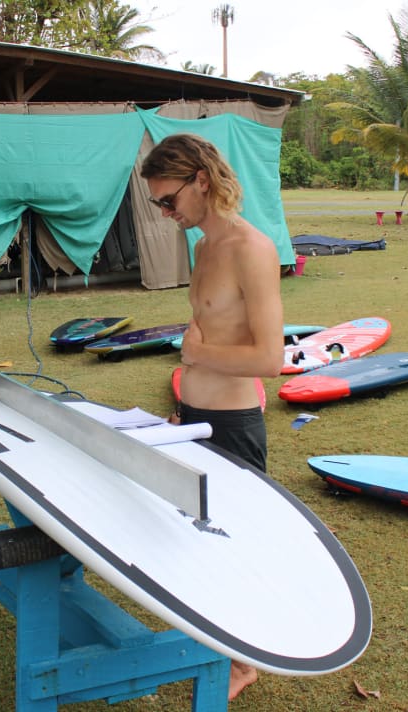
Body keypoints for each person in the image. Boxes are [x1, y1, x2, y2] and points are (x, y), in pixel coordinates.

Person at [140, 133, 285, 700]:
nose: (165, 213)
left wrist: (196, 355)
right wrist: (184, 403)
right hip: (195, 416)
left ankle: (243, 660)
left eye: (168, 201)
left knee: (236, 542)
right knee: (194, 538)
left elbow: (270, 358)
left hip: (232, 423)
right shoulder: (202, 247)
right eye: (158, 205)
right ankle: (216, 642)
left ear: (201, 179)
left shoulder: (252, 248)